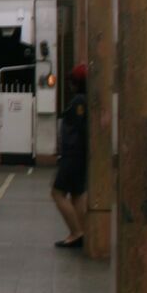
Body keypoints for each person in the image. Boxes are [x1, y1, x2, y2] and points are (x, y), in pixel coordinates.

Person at [52, 63, 89, 248]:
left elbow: (79, 129)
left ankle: (77, 232)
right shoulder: (84, 100)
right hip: (79, 156)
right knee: (77, 195)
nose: (69, 85)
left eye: (71, 82)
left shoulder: (79, 102)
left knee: (57, 193)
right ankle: (83, 233)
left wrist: (67, 151)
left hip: (73, 156)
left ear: (76, 83)